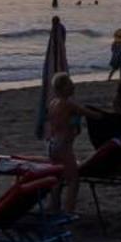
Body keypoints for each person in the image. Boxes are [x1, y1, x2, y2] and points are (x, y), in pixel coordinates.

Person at [44, 73, 83, 217]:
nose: (73, 85)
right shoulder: (68, 103)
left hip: (52, 144)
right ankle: (69, 211)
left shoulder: (53, 103)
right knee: (73, 180)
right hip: (63, 145)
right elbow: (90, 114)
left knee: (58, 178)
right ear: (63, 88)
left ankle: (54, 208)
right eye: (70, 83)